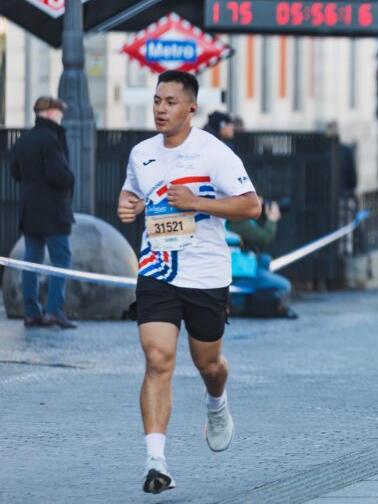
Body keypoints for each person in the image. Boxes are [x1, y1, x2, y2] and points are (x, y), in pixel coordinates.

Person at [117, 70, 261, 494]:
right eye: (157, 101)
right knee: (157, 358)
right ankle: (156, 462)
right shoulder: (141, 153)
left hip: (206, 273)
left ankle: (217, 402)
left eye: (171, 102)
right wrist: (128, 206)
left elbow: (252, 206)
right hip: (158, 269)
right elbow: (130, 193)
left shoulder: (213, 153)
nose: (161, 109)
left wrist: (197, 201)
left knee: (208, 365)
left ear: (191, 108)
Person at [11, 96, 77, 329]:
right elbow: (57, 175)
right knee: (61, 258)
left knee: (32, 260)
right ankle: (54, 311)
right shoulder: (51, 139)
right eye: (59, 112)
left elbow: (15, 173)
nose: (61, 116)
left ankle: (31, 313)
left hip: (29, 210)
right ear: (50, 113)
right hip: (53, 212)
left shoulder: (24, 139)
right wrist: (70, 177)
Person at [225, 197, 296, 318]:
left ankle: (242, 301)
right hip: (239, 275)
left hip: (237, 271)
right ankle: (241, 303)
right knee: (285, 286)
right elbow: (263, 237)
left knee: (264, 259)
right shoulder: (238, 220)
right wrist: (271, 220)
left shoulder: (233, 217)